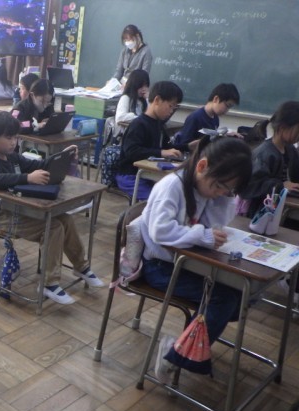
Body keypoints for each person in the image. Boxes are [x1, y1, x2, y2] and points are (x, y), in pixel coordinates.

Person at [138, 136, 253, 382]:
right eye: (219, 186)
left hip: (186, 262)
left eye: (228, 190)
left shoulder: (203, 188)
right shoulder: (172, 186)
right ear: (201, 166)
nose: (220, 193)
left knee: (242, 292)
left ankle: (187, 342)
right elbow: (160, 231)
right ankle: (174, 355)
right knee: (223, 299)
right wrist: (202, 236)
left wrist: (224, 197)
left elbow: (215, 225)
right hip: (159, 267)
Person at [0, 111, 104, 305]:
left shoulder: (13, 157)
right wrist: (27, 178)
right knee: (53, 227)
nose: (13, 142)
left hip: (17, 210)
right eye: (8, 138)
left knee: (65, 219)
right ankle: (49, 283)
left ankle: (81, 266)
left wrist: (63, 156)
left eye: (15, 137)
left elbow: (41, 164)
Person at [115, 81, 191, 201]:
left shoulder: (158, 124)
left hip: (148, 173)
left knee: (174, 194)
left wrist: (188, 146)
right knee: (159, 200)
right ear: (157, 100)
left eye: (174, 108)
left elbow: (168, 147)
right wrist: (161, 153)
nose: (171, 111)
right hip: (130, 176)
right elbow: (132, 152)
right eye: (170, 106)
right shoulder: (138, 124)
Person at [240, 100, 299, 217]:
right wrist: (281, 185)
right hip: (258, 212)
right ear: (282, 128)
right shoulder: (264, 154)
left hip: (278, 206)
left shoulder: (290, 149)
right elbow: (250, 186)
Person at [176, 83, 241, 145]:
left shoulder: (215, 118)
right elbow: (184, 144)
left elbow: (211, 137)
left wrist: (225, 135)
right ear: (216, 99)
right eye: (227, 105)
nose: (227, 110)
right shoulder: (195, 118)